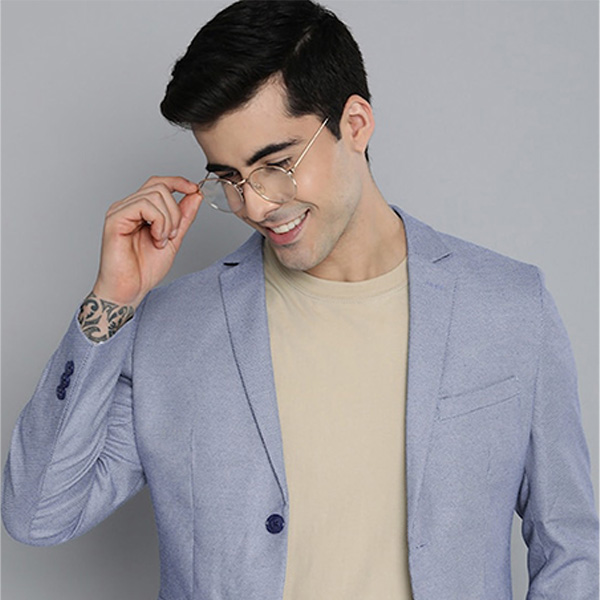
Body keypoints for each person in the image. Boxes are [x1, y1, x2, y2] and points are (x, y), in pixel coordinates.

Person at [3, 1, 598, 599]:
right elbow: (38, 514)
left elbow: (570, 546)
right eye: (230, 177)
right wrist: (112, 300)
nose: (256, 204)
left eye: (277, 164)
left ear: (356, 124)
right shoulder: (171, 331)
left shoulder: (508, 307)